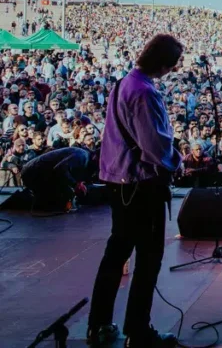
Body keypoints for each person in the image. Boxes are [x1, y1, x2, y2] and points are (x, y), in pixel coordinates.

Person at [87, 34, 183, 348]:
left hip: (118, 183)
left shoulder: (123, 83)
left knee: (115, 256)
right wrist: (177, 162)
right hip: (141, 186)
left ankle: (98, 326)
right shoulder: (145, 93)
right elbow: (154, 146)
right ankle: (138, 331)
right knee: (148, 259)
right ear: (165, 64)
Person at [20, 145, 93, 211]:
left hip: (35, 171)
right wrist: (75, 184)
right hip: (32, 173)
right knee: (57, 201)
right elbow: (60, 169)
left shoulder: (84, 157)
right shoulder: (81, 156)